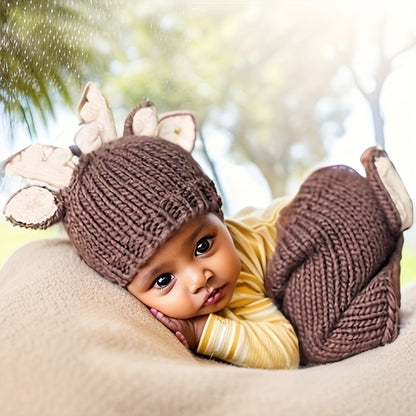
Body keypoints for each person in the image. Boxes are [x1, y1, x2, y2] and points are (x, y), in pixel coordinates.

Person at [3, 95, 412, 369]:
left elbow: (284, 350)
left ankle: (384, 213)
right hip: (332, 196)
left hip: (332, 224)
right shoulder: (209, 273)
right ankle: (378, 200)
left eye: (203, 245)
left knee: (320, 339)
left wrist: (204, 332)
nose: (200, 277)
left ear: (220, 216)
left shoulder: (242, 282)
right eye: (163, 279)